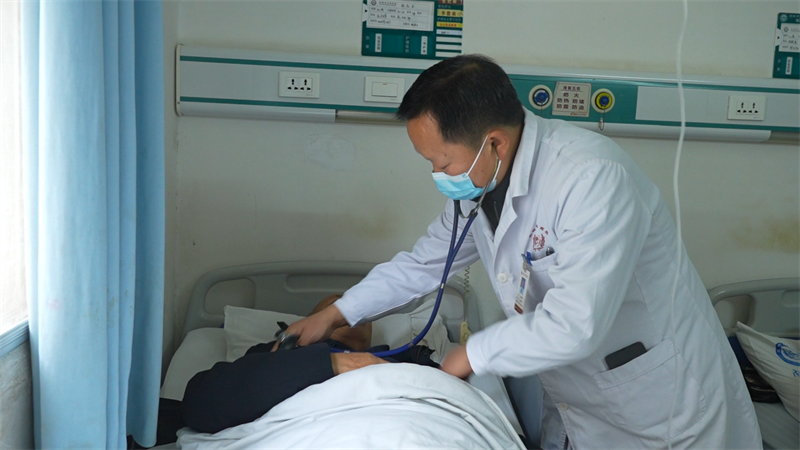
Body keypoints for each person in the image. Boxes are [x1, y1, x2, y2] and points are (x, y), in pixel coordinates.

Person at [280, 55, 762, 449]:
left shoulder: (591, 179)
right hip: (584, 401)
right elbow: (424, 263)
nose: (436, 175)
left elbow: (575, 324)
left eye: (441, 162)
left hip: (664, 407)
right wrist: (338, 313)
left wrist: (470, 355)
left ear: (493, 142)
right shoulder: (480, 186)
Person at [166, 295, 439, 437]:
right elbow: (202, 406)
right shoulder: (267, 360)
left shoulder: (403, 359)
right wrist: (328, 362)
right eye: (336, 307)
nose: (349, 313)